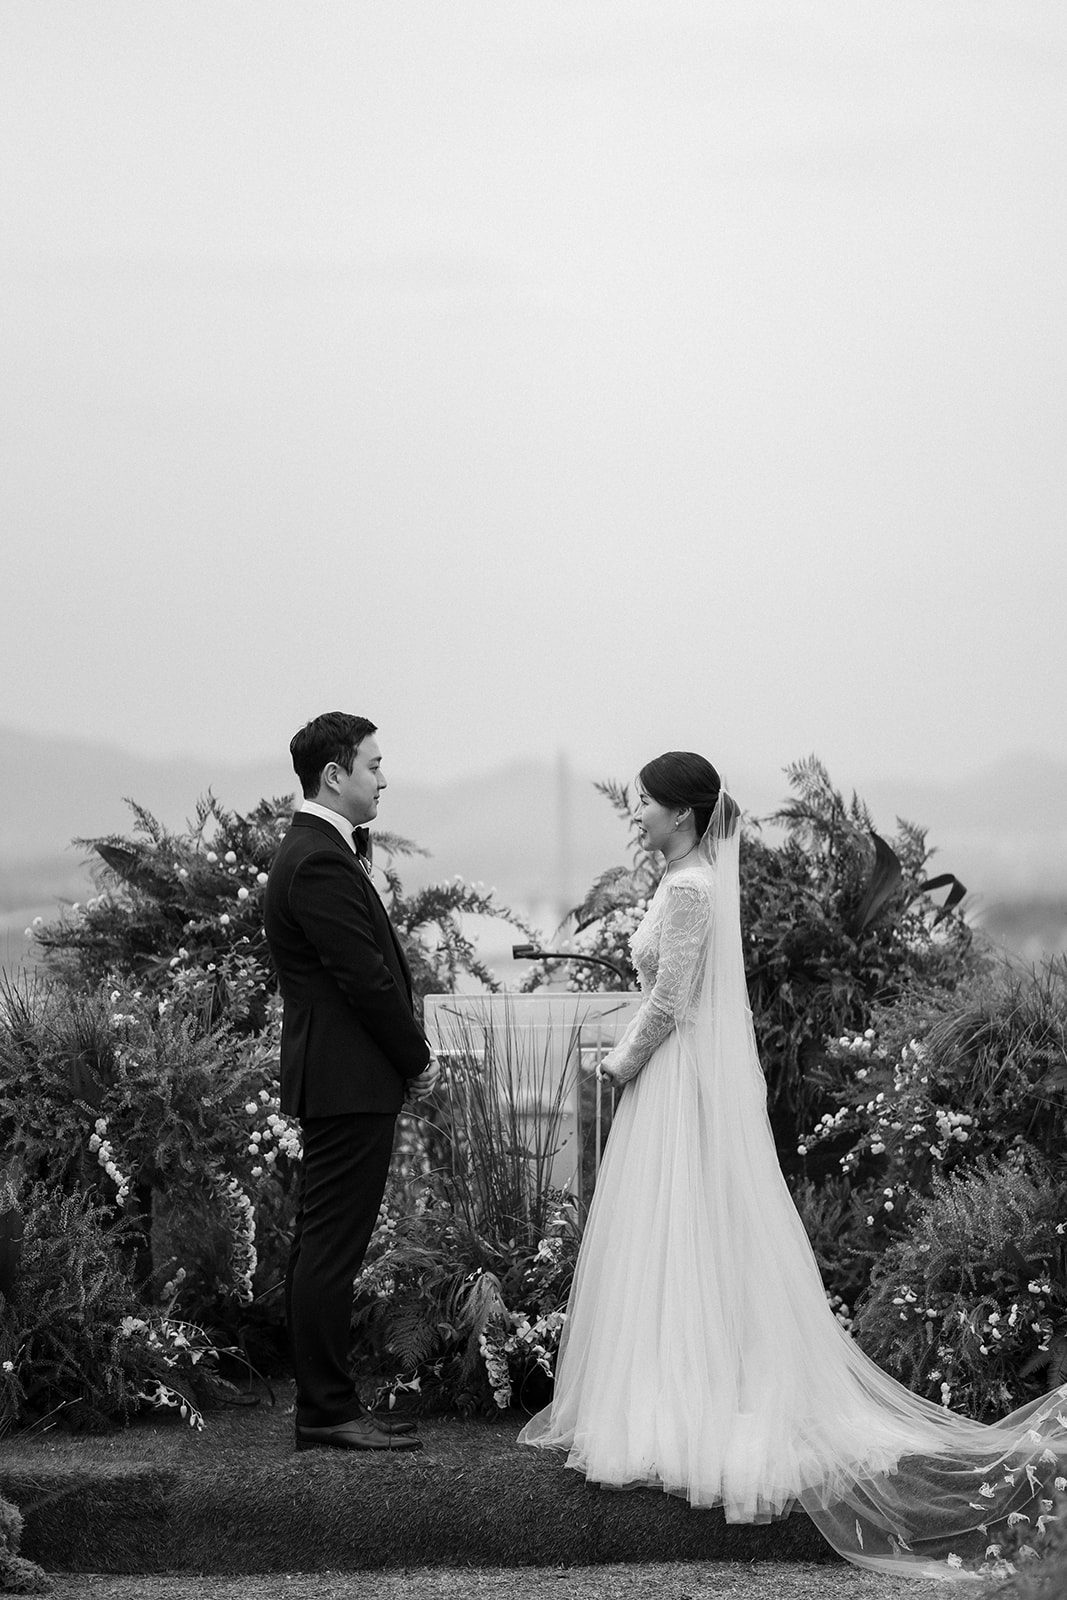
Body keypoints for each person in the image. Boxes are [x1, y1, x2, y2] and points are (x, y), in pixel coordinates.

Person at [520, 751, 1067, 1582]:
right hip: (674, 1084)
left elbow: (670, 1000)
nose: (635, 815)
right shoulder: (685, 881)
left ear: (683, 814)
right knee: (674, 1234)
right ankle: (674, 1381)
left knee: (683, 1227)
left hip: (671, 1084)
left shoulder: (692, 888)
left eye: (645, 805)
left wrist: (618, 1064)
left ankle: (691, 1400)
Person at [264, 711, 438, 1453]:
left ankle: (324, 1405)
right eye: (372, 764)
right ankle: (328, 1410)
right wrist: (417, 1060)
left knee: (321, 1242)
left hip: (339, 1077)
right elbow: (366, 981)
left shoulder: (316, 852)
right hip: (347, 1078)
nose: (383, 776)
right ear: (333, 775)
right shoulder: (318, 859)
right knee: (332, 1245)